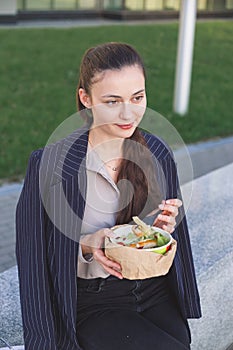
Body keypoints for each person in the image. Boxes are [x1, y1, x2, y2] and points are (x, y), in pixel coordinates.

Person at [16, 42, 201, 350]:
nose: (128, 113)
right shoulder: (49, 165)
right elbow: (32, 257)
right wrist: (88, 243)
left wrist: (160, 230)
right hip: (92, 300)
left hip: (153, 289)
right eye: (112, 101)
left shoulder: (156, 152)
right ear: (85, 99)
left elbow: (162, 237)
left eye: (137, 98)